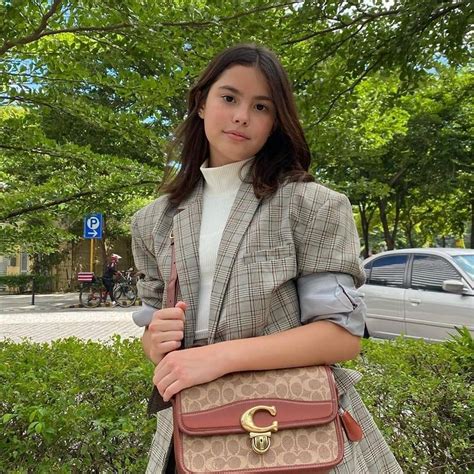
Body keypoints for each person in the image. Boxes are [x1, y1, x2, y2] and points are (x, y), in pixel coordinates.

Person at [131, 44, 402, 473]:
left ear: (276, 122)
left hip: (296, 431)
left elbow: (341, 337)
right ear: (201, 103)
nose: (242, 116)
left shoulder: (311, 205)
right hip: (193, 433)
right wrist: (156, 340)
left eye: (261, 106)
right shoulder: (154, 220)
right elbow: (152, 329)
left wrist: (218, 357)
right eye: (229, 97)